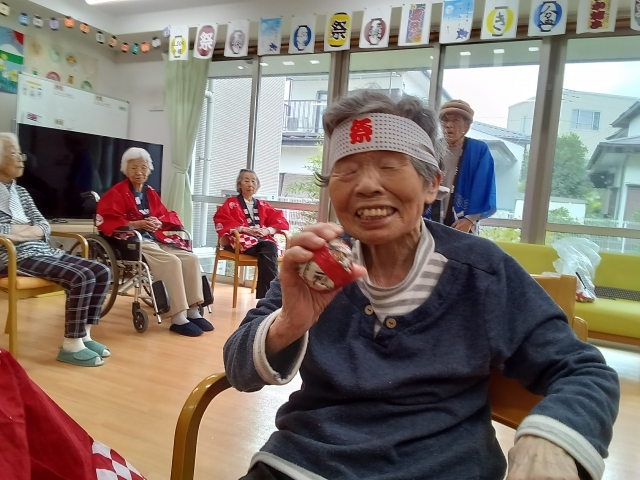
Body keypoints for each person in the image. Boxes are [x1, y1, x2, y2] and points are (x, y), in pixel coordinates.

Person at [222, 92, 619, 480]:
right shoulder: (317, 264)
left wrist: (549, 440)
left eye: (389, 165)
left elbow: (582, 370)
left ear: (432, 185)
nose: (367, 186)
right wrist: (290, 322)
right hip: (304, 464)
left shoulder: (480, 270)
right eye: (348, 170)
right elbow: (239, 370)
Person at [0, 132, 111, 367]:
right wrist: (26, 231)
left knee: (102, 271)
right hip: (12, 256)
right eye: (14, 153)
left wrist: (19, 232)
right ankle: (71, 345)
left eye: (20, 153)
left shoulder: (22, 192)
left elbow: (44, 226)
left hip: (40, 250)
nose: (21, 158)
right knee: (82, 276)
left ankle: (84, 336)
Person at [96, 147, 213, 337]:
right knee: (171, 262)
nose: (139, 172)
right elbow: (107, 220)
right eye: (134, 168)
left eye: (143, 168)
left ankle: (193, 311)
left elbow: (164, 214)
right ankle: (177, 317)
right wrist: (137, 224)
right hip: (133, 241)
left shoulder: (150, 193)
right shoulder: (117, 192)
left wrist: (159, 222)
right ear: (126, 170)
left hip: (155, 238)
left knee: (190, 258)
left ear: (149, 170)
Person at [214, 169, 289, 300]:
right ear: (239, 185)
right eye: (246, 181)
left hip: (262, 243)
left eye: (253, 181)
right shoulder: (231, 203)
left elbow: (280, 221)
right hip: (238, 241)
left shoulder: (262, 205)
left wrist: (267, 230)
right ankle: (274, 294)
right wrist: (244, 229)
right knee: (269, 249)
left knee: (268, 249)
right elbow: (222, 221)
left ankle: (268, 296)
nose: (250, 184)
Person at [425, 99, 496, 234]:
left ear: (467, 126)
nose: (449, 125)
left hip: (463, 223)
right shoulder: (432, 147)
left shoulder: (479, 150)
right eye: (445, 120)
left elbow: (483, 186)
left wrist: (469, 220)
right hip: (430, 220)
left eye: (456, 120)